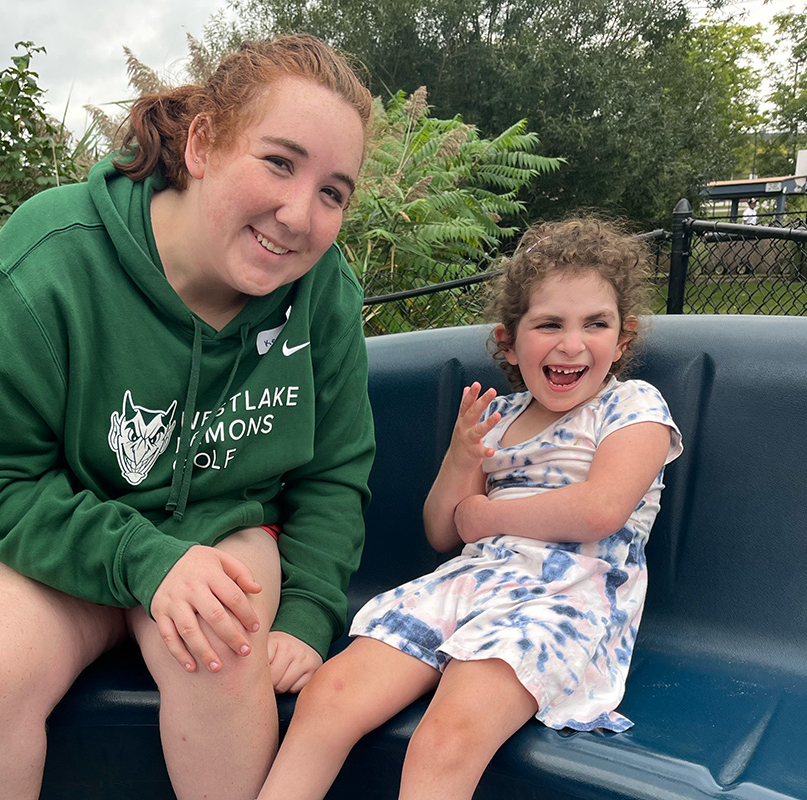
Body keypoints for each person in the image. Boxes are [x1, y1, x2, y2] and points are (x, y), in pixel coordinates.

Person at [0, 35, 376, 800]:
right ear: (203, 143)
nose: (299, 214)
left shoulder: (324, 289)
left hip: (223, 524)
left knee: (224, 652)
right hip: (63, 532)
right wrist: (146, 560)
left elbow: (334, 470)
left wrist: (305, 612)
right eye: (278, 161)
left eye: (333, 191)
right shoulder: (47, 261)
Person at [256, 217, 683, 800]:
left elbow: (602, 510)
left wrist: (490, 517)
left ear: (623, 338)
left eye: (596, 324)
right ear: (510, 341)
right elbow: (441, 531)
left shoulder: (632, 406)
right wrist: (463, 457)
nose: (571, 343)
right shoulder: (499, 418)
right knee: (328, 696)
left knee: (448, 736)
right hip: (469, 582)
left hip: (564, 597)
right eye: (549, 323)